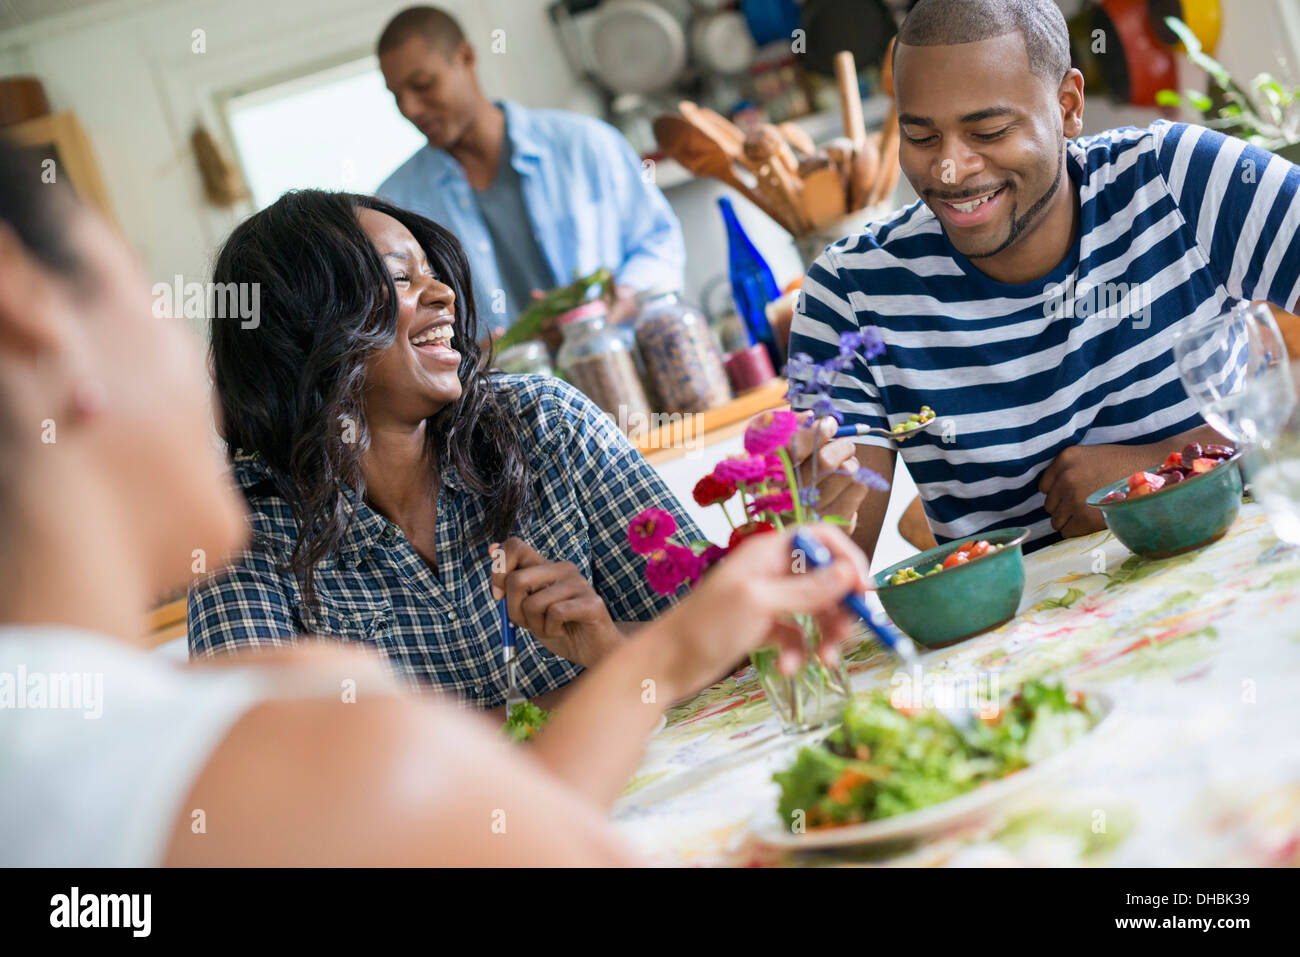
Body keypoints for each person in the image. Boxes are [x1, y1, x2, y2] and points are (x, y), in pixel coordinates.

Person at [0, 136, 871, 865]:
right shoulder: (217, 724)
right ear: (29, 322)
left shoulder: (84, 735)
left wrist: (637, 655)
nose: (189, 349)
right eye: (149, 302)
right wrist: (654, 662)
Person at [789, 0, 1300, 558]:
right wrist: (805, 524)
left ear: (1068, 105)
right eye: (922, 138)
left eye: (988, 130)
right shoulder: (849, 294)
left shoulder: (1180, 180)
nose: (950, 170)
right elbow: (812, 579)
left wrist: (1168, 463)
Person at [186, 190, 699, 707]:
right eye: (402, 277)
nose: (444, 294)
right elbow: (260, 771)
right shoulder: (237, 533)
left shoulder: (547, 424)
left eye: (433, 272)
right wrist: (593, 697)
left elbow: (730, 632)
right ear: (303, 329)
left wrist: (609, 648)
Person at [375, 5, 685, 330]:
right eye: (397, 96)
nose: (410, 108)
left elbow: (658, 238)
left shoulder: (584, 144)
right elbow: (401, 321)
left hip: (626, 358)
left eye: (423, 84)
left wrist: (625, 295)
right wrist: (468, 352)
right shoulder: (396, 204)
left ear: (466, 57)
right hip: (501, 380)